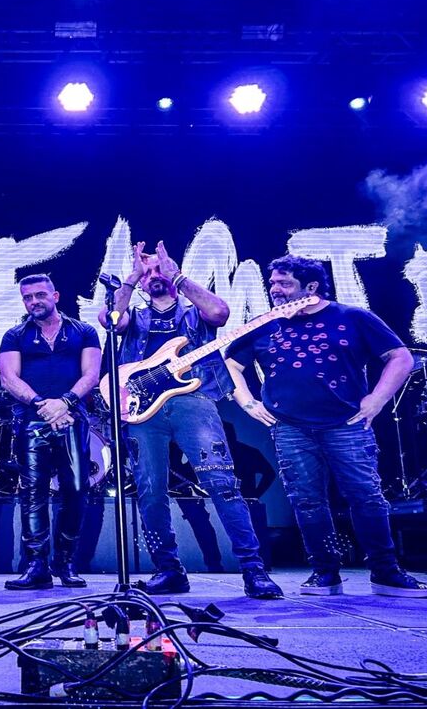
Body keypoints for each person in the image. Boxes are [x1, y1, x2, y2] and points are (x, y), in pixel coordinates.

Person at [225, 255, 427, 597]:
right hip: (290, 427)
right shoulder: (264, 324)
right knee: (307, 501)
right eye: (273, 283)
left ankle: (386, 572)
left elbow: (401, 357)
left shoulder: (351, 317)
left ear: (311, 287)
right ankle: (325, 572)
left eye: (284, 284)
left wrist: (377, 399)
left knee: (366, 497)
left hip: (346, 423)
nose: (275, 290)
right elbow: (229, 365)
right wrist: (247, 402)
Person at [100, 241, 282, 598]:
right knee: (150, 490)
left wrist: (177, 276)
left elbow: (220, 313)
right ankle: (168, 570)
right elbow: (110, 321)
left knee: (222, 484)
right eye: (149, 273)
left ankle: (254, 570)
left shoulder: (192, 312)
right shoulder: (135, 317)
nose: (155, 277)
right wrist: (133, 276)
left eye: (159, 271)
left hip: (193, 402)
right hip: (142, 408)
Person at [0, 274, 102, 590]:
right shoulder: (14, 335)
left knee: (77, 489)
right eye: (27, 297)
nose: (33, 302)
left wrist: (65, 403)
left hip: (72, 419)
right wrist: (43, 405)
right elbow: (8, 378)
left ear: (55, 296)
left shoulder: (84, 331)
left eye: (39, 295)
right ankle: (37, 565)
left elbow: (92, 375)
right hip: (32, 421)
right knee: (33, 493)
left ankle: (65, 561)